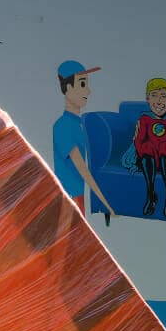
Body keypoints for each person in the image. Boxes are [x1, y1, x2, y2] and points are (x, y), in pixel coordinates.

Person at [51, 60, 115, 225]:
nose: (88, 90)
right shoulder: (63, 126)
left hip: (78, 199)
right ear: (68, 87)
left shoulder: (80, 124)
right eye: (82, 84)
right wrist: (107, 203)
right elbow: (83, 170)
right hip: (68, 201)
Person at [132, 77, 166, 217]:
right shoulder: (145, 119)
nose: (159, 101)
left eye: (163, 96)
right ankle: (151, 194)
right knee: (147, 146)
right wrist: (143, 153)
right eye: (154, 96)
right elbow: (139, 141)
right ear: (148, 99)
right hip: (149, 160)